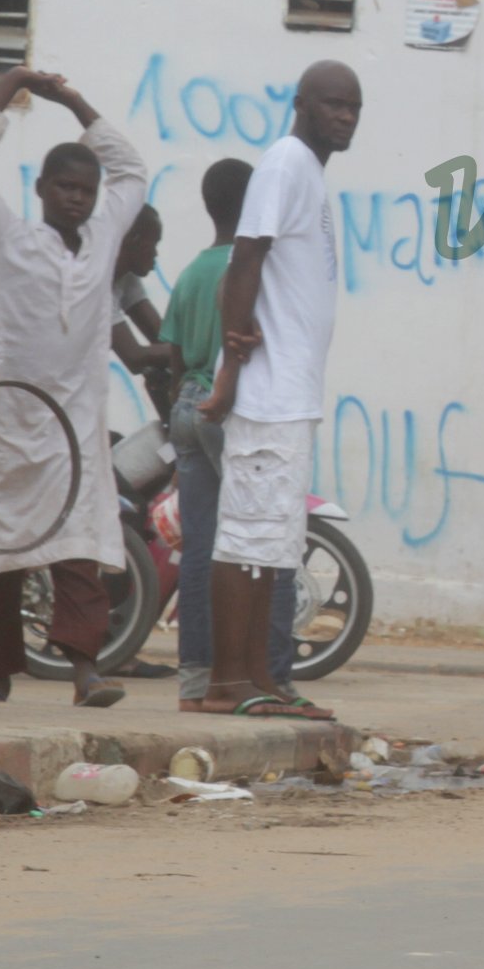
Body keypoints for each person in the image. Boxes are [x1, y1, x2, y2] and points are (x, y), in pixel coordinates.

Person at [0, 67, 149, 706]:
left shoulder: (105, 239)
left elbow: (133, 171)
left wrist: (74, 102)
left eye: (86, 189)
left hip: (76, 427)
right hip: (7, 422)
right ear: (40, 189)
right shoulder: (9, 236)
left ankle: (86, 672)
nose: (77, 199)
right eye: (65, 186)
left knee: (79, 550)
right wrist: (11, 82)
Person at [196, 62, 360, 720]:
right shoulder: (286, 162)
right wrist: (231, 366)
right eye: (333, 104)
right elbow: (245, 257)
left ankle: (261, 676)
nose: (344, 116)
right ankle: (226, 682)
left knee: (274, 546)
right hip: (268, 394)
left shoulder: (309, 172)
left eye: (353, 107)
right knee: (245, 541)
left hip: (293, 394)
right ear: (302, 104)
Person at [159, 158, 295, 706]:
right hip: (230, 404)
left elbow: (173, 357)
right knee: (267, 544)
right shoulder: (252, 269)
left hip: (187, 406)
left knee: (199, 550)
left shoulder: (191, 272)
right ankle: (271, 675)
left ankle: (196, 680)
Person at [111, 201, 185, 425]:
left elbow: (161, 336)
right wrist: (196, 351)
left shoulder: (125, 276)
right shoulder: (96, 281)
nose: (155, 253)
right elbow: (134, 357)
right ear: (134, 240)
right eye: (154, 244)